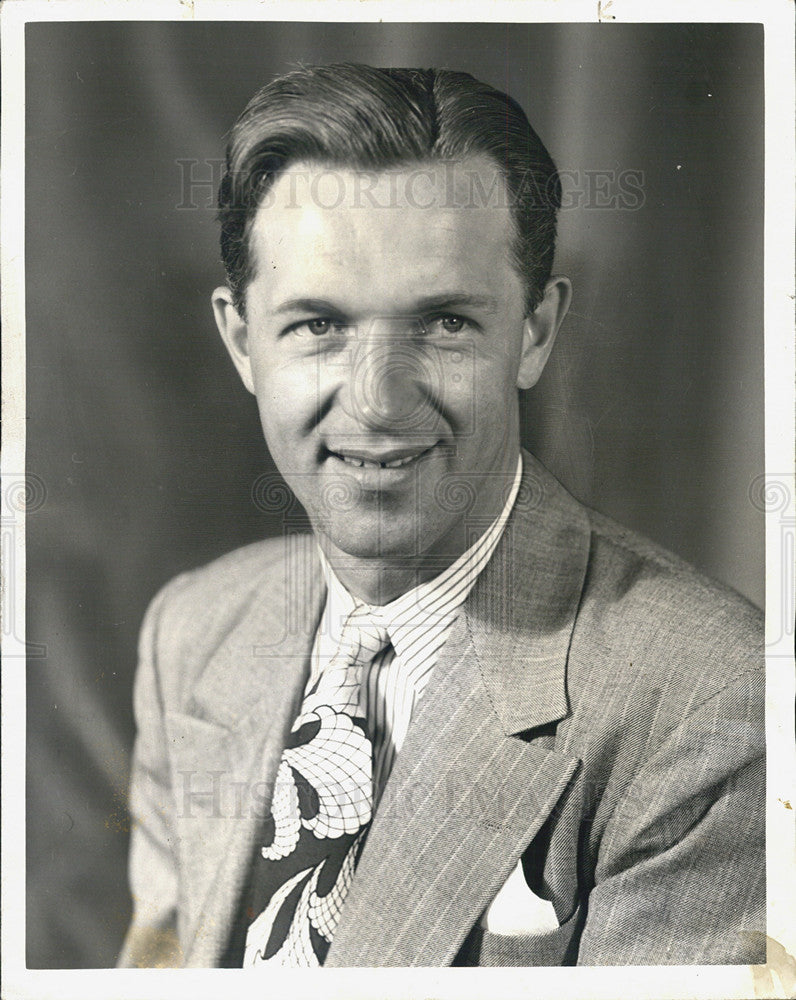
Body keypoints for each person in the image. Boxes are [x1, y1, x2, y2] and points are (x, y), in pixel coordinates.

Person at [118, 64, 765, 969]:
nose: (378, 405)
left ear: (535, 332)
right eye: (317, 326)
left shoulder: (714, 698)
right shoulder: (189, 633)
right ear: (240, 342)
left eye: (446, 324)